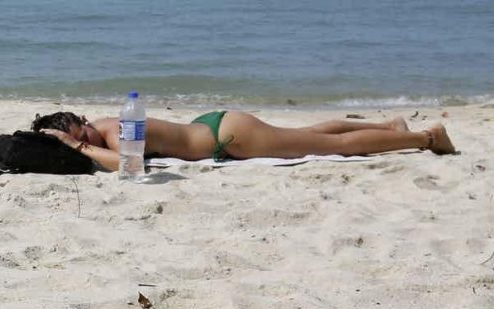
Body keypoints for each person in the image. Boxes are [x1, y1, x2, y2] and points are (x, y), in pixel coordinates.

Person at [32, 109, 455, 170]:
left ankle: (424, 137)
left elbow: (130, 163)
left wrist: (76, 146)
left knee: (331, 147)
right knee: (308, 135)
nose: (86, 139)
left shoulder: (115, 128)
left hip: (229, 136)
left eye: (80, 132)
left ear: (83, 123)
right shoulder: (108, 124)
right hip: (217, 126)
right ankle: (390, 129)